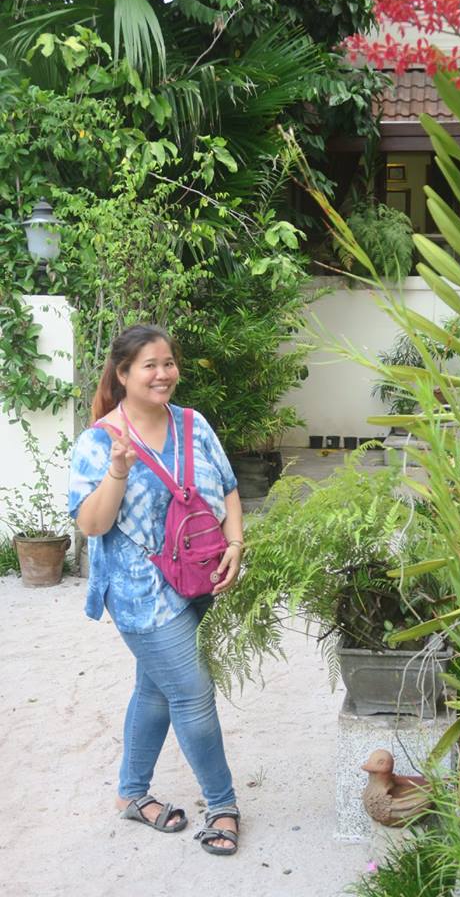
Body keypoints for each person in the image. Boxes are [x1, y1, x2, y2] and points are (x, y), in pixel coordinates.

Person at [68, 323, 243, 856]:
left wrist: (236, 543)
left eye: (168, 363)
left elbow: (229, 488)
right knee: (191, 693)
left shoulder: (193, 423)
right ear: (123, 374)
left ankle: (131, 794)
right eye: (150, 365)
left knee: (155, 691)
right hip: (140, 593)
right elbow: (92, 525)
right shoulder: (99, 441)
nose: (163, 374)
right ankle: (224, 805)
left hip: (199, 576)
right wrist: (118, 471)